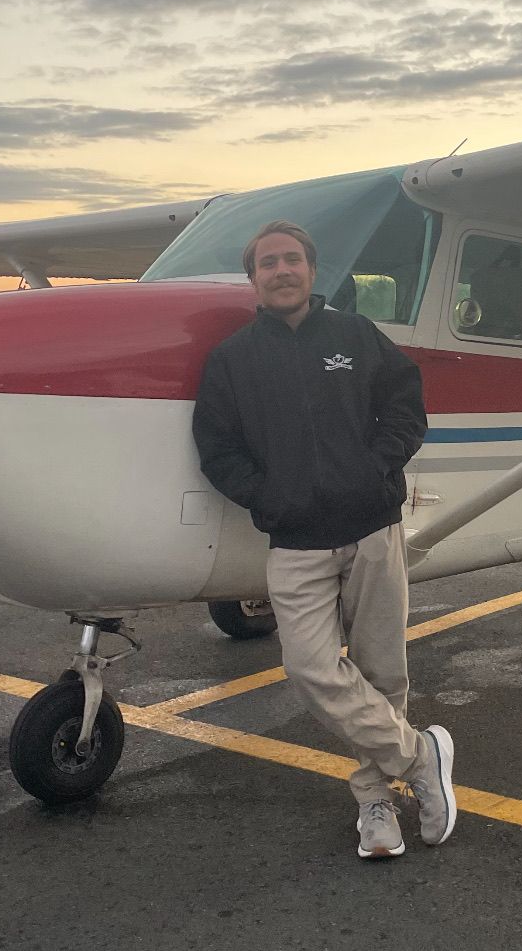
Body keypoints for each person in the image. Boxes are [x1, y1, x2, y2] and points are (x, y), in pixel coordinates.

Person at [192, 219, 455, 859]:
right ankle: (421, 759)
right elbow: (217, 449)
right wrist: (269, 496)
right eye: (267, 264)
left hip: (371, 527)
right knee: (311, 668)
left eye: (292, 260)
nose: (281, 271)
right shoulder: (233, 360)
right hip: (295, 540)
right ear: (252, 279)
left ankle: (375, 803)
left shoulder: (355, 335)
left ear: (312, 271)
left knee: (380, 671)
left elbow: (405, 406)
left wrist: (377, 467)